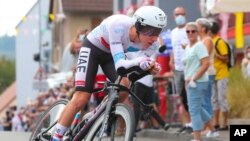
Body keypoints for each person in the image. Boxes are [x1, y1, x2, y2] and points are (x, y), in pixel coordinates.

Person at [51, 6, 167, 141]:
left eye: (158, 31)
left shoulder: (153, 44)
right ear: (138, 25)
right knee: (81, 98)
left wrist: (148, 68)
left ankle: (97, 113)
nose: (154, 37)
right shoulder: (118, 25)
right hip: (92, 49)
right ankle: (56, 136)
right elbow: (121, 66)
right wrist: (140, 62)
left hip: (109, 56)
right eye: (151, 31)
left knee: (124, 87)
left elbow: (136, 71)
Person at [183, 22, 218, 141]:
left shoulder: (199, 46)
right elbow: (189, 66)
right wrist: (187, 80)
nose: (190, 33)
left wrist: (194, 78)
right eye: (188, 31)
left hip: (197, 82)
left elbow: (206, 63)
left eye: (193, 31)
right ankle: (212, 130)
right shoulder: (188, 47)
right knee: (198, 108)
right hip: (190, 82)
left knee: (194, 110)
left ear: (198, 32)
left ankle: (197, 139)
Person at [169, 6, 192, 133]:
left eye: (182, 14)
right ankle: (186, 124)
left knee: (190, 96)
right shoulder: (172, 32)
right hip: (177, 69)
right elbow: (173, 48)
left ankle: (193, 123)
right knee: (181, 97)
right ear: (174, 16)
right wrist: (171, 60)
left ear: (186, 15)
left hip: (188, 68)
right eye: (177, 14)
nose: (179, 16)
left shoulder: (190, 30)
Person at [196, 18, 216, 135]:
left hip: (208, 73)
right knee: (203, 101)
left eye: (197, 26)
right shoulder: (201, 40)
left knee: (206, 100)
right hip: (203, 73)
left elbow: (204, 56)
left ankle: (210, 128)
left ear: (203, 28)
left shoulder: (207, 40)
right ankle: (206, 127)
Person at [209, 21, 229, 131]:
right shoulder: (210, 41)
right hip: (213, 75)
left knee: (222, 99)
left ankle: (224, 124)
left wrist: (215, 54)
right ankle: (215, 123)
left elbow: (225, 59)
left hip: (222, 75)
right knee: (214, 100)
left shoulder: (219, 42)